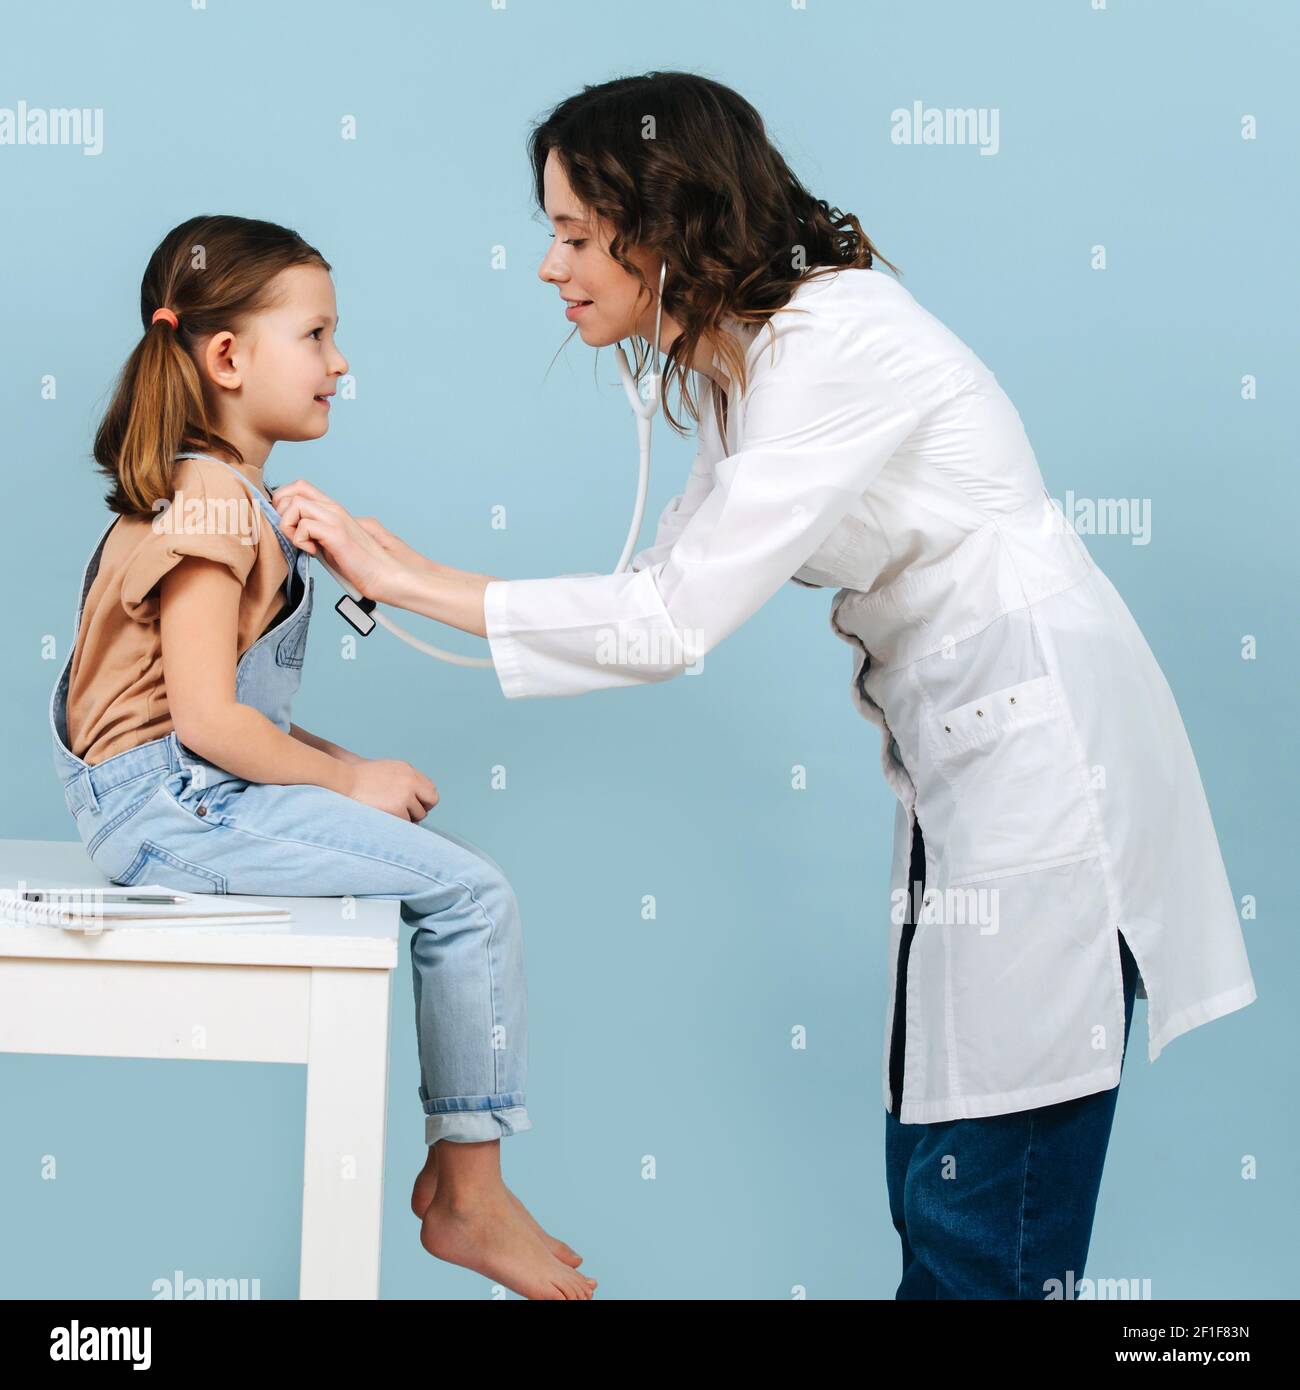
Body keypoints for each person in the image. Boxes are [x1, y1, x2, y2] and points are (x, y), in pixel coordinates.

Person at [273, 72, 1257, 1299]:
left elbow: (669, 621)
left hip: (1044, 763)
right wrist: (414, 576)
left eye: (575, 233)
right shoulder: (756, 364)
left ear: (664, 220)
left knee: (979, 1222)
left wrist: (410, 579)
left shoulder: (827, 347)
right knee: (935, 1183)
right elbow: (656, 588)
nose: (548, 265)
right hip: (970, 764)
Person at [48, 214, 596, 1300]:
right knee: (473, 894)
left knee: (447, 880)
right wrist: (348, 782)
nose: (340, 363)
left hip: (175, 794)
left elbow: (213, 718)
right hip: (165, 803)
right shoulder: (208, 499)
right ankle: (468, 1192)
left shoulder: (222, 492)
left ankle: (465, 1180)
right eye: (317, 335)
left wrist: (350, 765)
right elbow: (203, 724)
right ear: (226, 356)